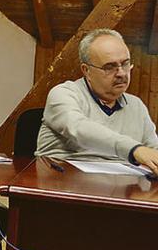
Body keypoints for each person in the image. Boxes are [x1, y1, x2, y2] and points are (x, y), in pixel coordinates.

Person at [36, 28, 158, 172]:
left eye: (125, 63)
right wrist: (134, 150)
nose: (121, 73)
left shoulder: (136, 105)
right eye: (109, 67)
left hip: (122, 187)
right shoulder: (63, 94)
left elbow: (153, 151)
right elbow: (79, 128)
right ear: (86, 70)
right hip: (63, 182)